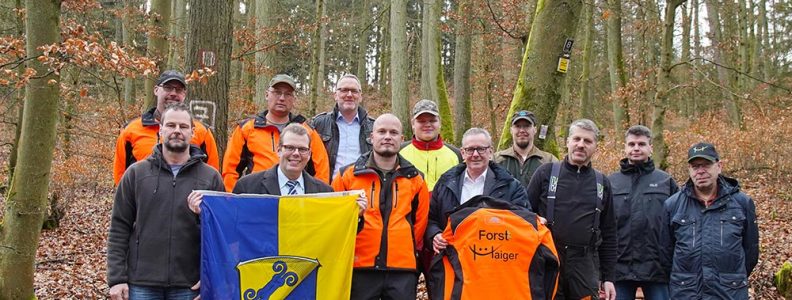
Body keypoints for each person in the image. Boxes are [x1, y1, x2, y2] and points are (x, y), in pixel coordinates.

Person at [107, 103, 225, 300]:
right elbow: (119, 227)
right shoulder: (136, 174)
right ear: (160, 129)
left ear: (192, 132)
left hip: (190, 284)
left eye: (183, 126)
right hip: (142, 283)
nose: (177, 131)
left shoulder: (210, 178)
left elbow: (221, 235)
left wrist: (212, 278)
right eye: (170, 125)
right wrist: (117, 278)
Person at [331, 114, 430, 300]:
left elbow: (420, 224)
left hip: (402, 269)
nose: (387, 137)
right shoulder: (347, 176)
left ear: (402, 139)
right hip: (359, 267)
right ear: (371, 136)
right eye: (382, 131)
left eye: (393, 133)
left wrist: (403, 247)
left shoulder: (416, 179)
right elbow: (334, 221)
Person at [526, 119, 617, 300]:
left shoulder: (602, 183)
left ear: (595, 147)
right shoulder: (545, 173)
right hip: (549, 259)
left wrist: (608, 278)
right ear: (567, 142)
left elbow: (609, 233)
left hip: (585, 263)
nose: (581, 145)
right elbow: (523, 216)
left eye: (587, 141)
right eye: (576, 139)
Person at [188, 123, 366, 216]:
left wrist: (355, 215)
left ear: (310, 154)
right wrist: (204, 212)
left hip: (308, 273)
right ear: (279, 150)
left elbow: (335, 231)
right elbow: (231, 225)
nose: (296, 154)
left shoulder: (323, 192)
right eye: (289, 147)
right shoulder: (248, 187)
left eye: (302, 149)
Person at [664, 142, 759, 299]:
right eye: (695, 167)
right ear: (689, 170)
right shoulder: (673, 205)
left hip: (729, 292)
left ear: (719, 166)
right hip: (687, 292)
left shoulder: (742, 203)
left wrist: (731, 279)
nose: (700, 171)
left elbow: (751, 251)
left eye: (706, 165)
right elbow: (665, 253)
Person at [427, 127, 529, 255]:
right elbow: (431, 219)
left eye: (481, 149)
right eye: (470, 150)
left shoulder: (511, 186)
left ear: (491, 152)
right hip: (453, 258)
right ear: (463, 153)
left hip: (495, 259)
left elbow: (523, 222)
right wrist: (435, 235)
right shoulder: (445, 184)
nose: (475, 154)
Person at [222, 74, 331, 191]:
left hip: (296, 196)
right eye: (277, 92)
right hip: (258, 194)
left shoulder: (306, 131)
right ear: (267, 94)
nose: (282, 98)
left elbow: (321, 171)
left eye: (288, 94)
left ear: (294, 99)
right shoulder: (248, 128)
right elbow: (230, 169)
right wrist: (233, 200)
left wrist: (318, 200)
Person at [112, 70, 219, 185]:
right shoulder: (131, 130)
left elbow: (212, 176)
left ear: (184, 94)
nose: (173, 93)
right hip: (145, 199)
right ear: (156, 90)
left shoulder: (201, 131)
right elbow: (120, 176)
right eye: (168, 88)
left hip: (188, 200)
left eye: (178, 90)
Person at [608, 125, 678, 300]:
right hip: (620, 267)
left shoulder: (666, 181)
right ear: (625, 148)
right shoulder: (610, 182)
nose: (636, 148)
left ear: (650, 148)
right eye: (631, 144)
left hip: (657, 267)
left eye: (641, 144)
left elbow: (678, 223)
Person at [310, 74, 375, 179]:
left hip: (362, 189)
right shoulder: (318, 124)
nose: (349, 95)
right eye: (344, 90)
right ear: (335, 95)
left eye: (354, 91)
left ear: (360, 96)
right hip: (328, 189)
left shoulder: (374, 127)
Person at [400, 99, 462, 191]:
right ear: (413, 123)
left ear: (440, 122)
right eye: (421, 121)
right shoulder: (399, 153)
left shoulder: (457, 155)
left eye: (432, 121)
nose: (428, 125)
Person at [494, 110, 558, 188]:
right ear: (511, 130)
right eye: (517, 126)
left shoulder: (550, 161)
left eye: (527, 126)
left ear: (535, 130)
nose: (522, 130)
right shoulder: (496, 160)